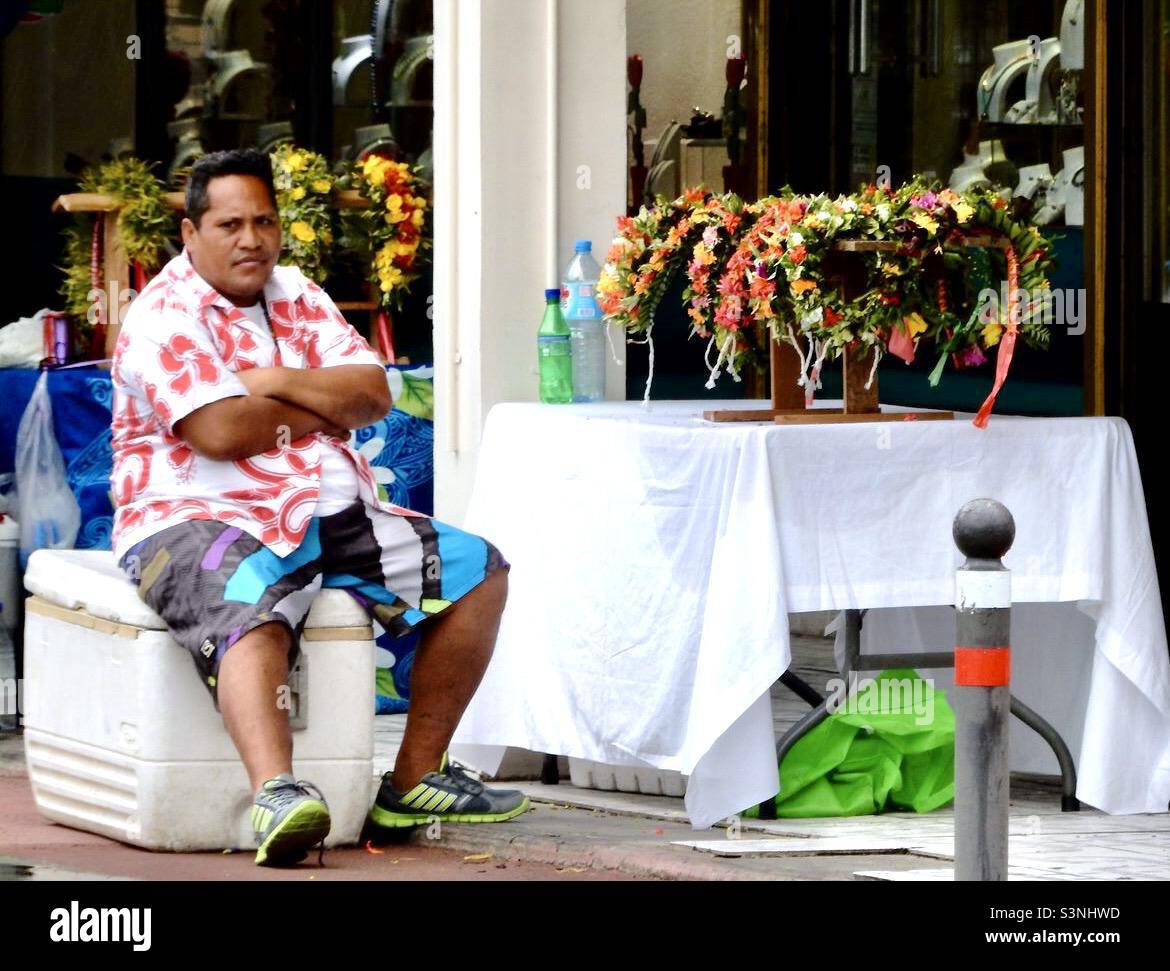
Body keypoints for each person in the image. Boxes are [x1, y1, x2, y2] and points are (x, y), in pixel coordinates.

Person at [110, 149, 528, 867]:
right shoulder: (162, 315)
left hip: (326, 509)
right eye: (231, 223)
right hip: (193, 518)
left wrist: (270, 382)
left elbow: (373, 392)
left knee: (477, 572)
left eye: (265, 221)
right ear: (190, 232)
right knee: (252, 594)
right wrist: (317, 401)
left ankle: (412, 779)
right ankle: (277, 792)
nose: (252, 239)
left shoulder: (297, 292)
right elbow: (216, 432)